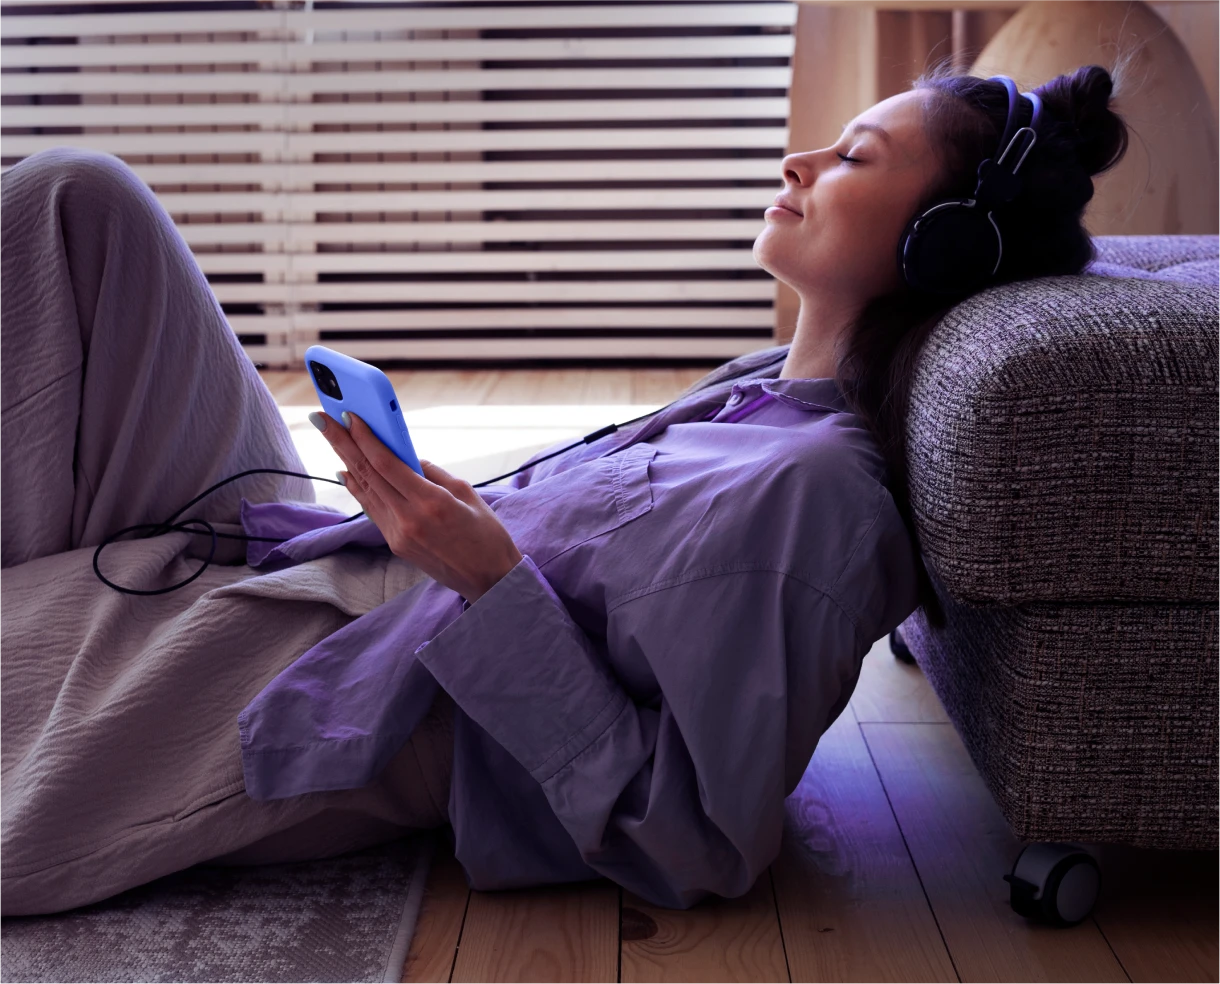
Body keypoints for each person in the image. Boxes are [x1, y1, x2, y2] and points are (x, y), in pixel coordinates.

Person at [0, 61, 1130, 917]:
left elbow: (693, 841)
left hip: (325, 680)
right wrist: (449, 524)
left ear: (934, 243)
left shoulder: (812, 500)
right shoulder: (759, 397)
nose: (798, 163)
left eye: (851, 159)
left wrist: (485, 577)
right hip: (321, 559)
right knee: (80, 203)